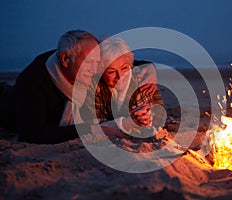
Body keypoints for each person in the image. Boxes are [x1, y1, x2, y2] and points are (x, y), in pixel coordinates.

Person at [0, 30, 158, 144]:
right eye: (89, 62)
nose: (95, 70)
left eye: (97, 62)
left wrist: (149, 70)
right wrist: (92, 129)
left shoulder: (82, 62)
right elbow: (31, 134)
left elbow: (121, 62)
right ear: (65, 59)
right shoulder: (34, 82)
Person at [81, 37, 165, 135]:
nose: (120, 76)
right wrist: (127, 123)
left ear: (130, 64)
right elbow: (94, 125)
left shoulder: (142, 79)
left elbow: (159, 119)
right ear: (100, 71)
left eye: (124, 68)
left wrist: (145, 118)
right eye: (111, 72)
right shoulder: (93, 85)